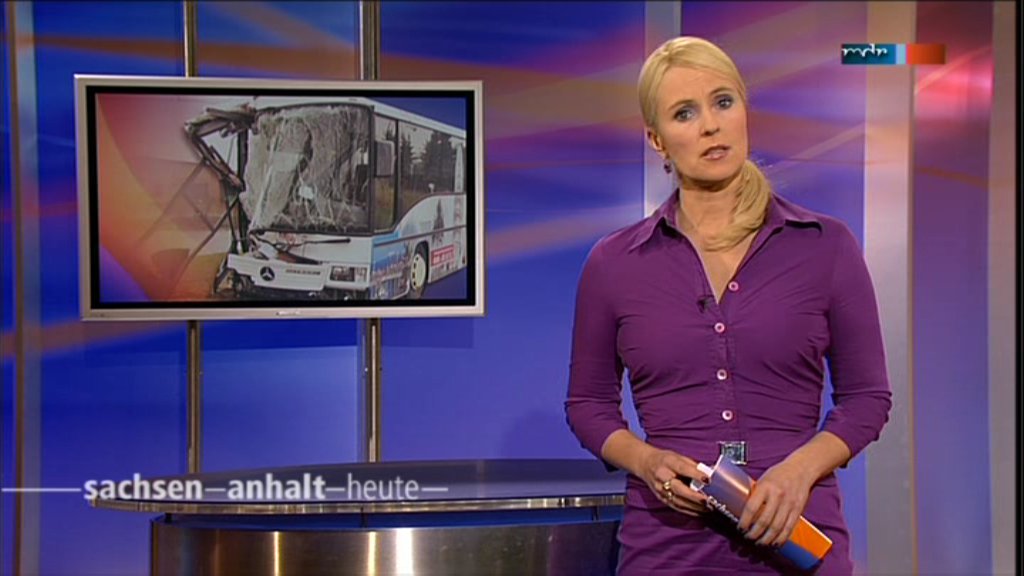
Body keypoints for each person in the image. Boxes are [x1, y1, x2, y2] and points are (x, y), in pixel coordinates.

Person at [565, 36, 892, 575]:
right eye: (684, 113)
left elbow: (867, 398)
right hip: (668, 549)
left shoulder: (825, 245)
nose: (710, 126)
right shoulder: (614, 263)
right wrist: (646, 461)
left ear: (744, 110)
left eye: (723, 102)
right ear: (657, 139)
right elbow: (587, 404)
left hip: (796, 534)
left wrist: (798, 472)